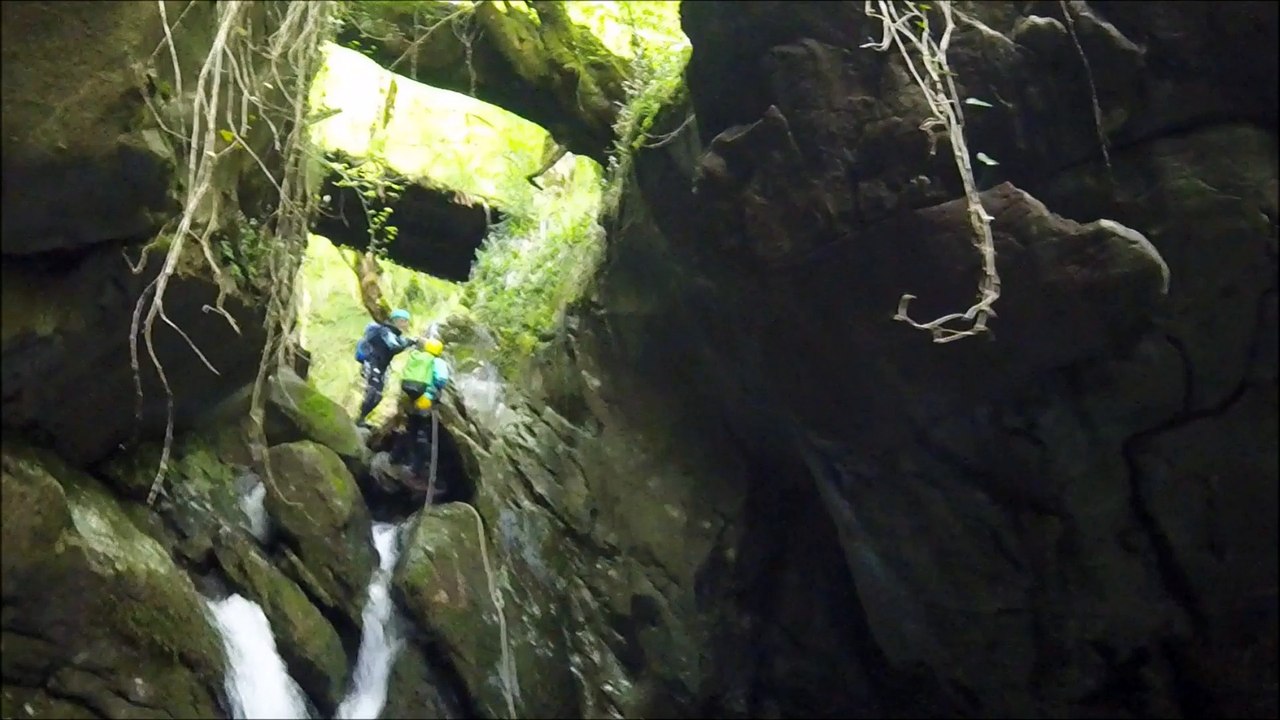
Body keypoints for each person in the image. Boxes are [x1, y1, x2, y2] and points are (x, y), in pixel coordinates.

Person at [395, 335, 451, 486]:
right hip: (425, 400)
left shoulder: (417, 357)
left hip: (409, 398)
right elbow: (441, 380)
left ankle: (396, 457)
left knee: (410, 430)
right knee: (423, 435)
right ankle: (416, 469)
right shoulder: (437, 362)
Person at [354, 308, 421, 427]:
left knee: (378, 395)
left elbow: (399, 343)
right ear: (397, 320)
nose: (406, 324)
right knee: (373, 391)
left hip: (381, 367)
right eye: (404, 321)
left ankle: (361, 419)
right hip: (372, 363)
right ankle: (359, 419)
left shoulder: (394, 334)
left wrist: (411, 342)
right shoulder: (385, 331)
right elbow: (394, 346)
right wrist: (408, 343)